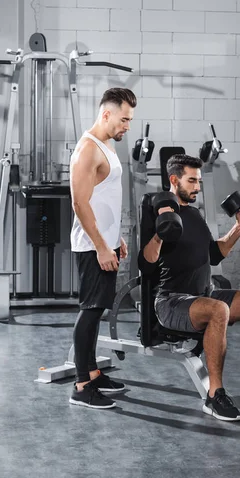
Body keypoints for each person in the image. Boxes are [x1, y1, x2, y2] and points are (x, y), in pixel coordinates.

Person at [138, 154, 240, 422]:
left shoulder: (194, 214)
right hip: (172, 302)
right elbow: (145, 265)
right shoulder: (160, 210)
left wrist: (239, 227)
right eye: (192, 181)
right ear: (174, 180)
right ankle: (214, 395)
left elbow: (214, 254)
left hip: (205, 294)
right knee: (219, 310)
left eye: (199, 181)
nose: (197, 187)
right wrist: (160, 233)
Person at [69, 87, 137, 409]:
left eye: (130, 120)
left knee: (97, 313)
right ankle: (82, 386)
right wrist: (100, 246)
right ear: (106, 113)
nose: (127, 126)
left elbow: (104, 198)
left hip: (105, 244)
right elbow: (79, 203)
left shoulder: (107, 145)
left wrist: (116, 239)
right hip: (91, 246)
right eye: (124, 119)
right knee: (90, 311)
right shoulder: (87, 149)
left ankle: (94, 372)